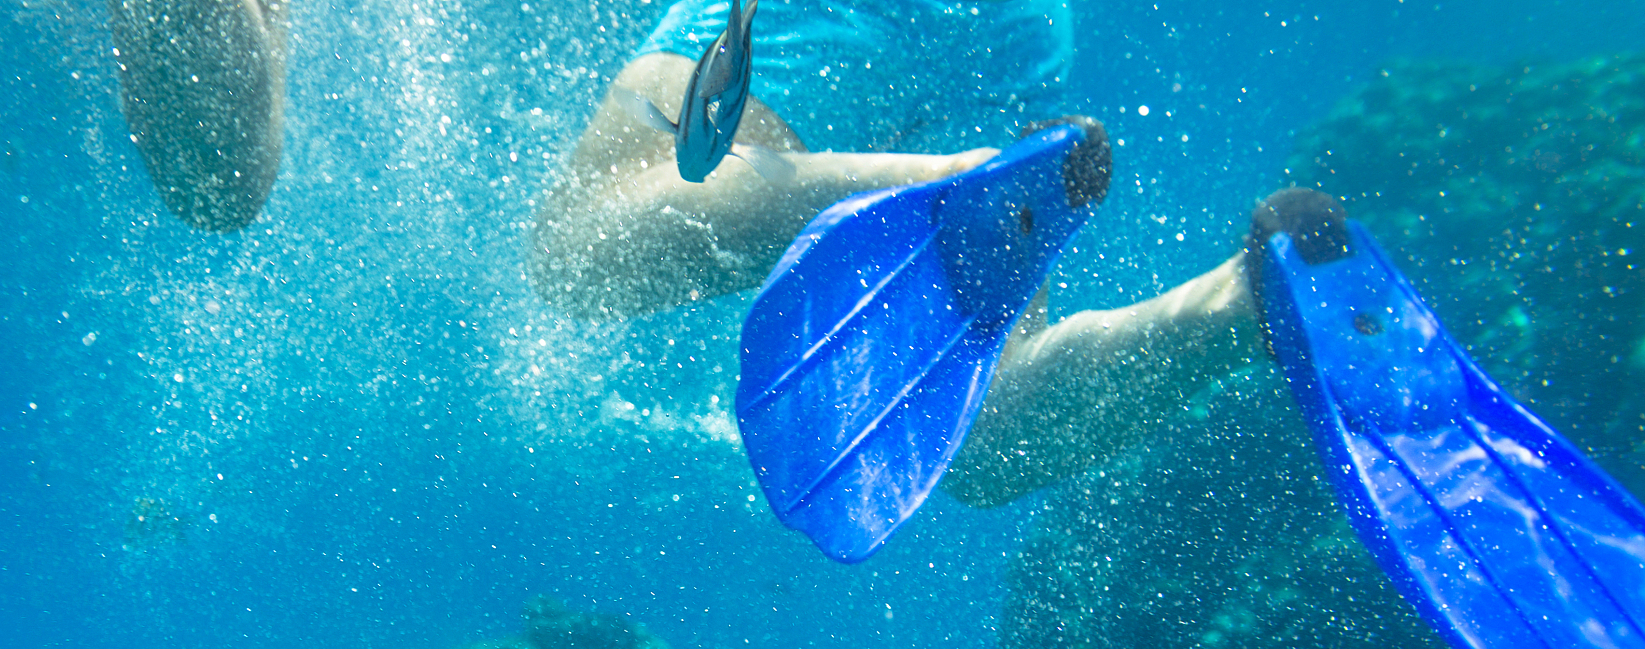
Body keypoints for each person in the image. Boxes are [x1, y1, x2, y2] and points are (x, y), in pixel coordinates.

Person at [527, 0, 1268, 509]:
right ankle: (1247, 302)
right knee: (978, 428)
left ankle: (944, 184)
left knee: (579, 251)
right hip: (1020, 21)